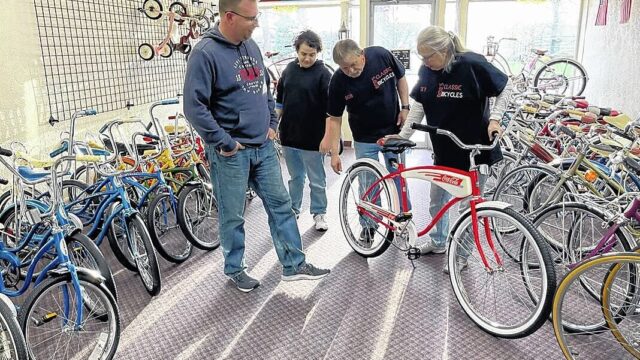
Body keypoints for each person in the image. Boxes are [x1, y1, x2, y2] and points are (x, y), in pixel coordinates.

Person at [183, 0, 330, 293]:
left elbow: (265, 88)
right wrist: (223, 141)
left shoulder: (251, 47)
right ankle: (235, 269)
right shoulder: (204, 53)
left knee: (282, 205)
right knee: (233, 214)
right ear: (229, 17)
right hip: (230, 152)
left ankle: (293, 265)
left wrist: (271, 125)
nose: (257, 24)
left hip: (262, 146)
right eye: (252, 18)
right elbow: (194, 107)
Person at [398, 26, 513, 257]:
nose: (425, 61)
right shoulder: (428, 70)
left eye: (429, 55)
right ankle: (438, 242)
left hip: (474, 152)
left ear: (444, 49)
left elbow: (505, 86)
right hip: (444, 151)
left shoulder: (472, 64)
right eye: (422, 56)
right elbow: (419, 105)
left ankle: (460, 257)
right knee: (437, 202)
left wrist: (496, 119)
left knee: (469, 208)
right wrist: (402, 137)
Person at [319, 39, 410, 243]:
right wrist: (334, 154)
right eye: (344, 68)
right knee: (368, 181)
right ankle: (369, 226)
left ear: (362, 54)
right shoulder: (338, 81)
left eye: (354, 64)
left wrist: (405, 107)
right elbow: (334, 119)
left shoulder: (381, 55)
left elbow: (401, 78)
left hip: (393, 132)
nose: (351, 70)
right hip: (364, 136)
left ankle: (404, 221)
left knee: (398, 177)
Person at [275, 30, 332, 231]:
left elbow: (331, 113)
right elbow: (279, 102)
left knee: (317, 181)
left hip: (314, 139)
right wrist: (273, 126)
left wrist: (328, 138)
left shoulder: (324, 74)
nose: (308, 58)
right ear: (297, 51)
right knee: (295, 178)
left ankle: (319, 214)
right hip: (289, 137)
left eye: (312, 54)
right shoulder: (289, 70)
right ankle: (294, 210)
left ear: (317, 53)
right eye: (304, 54)